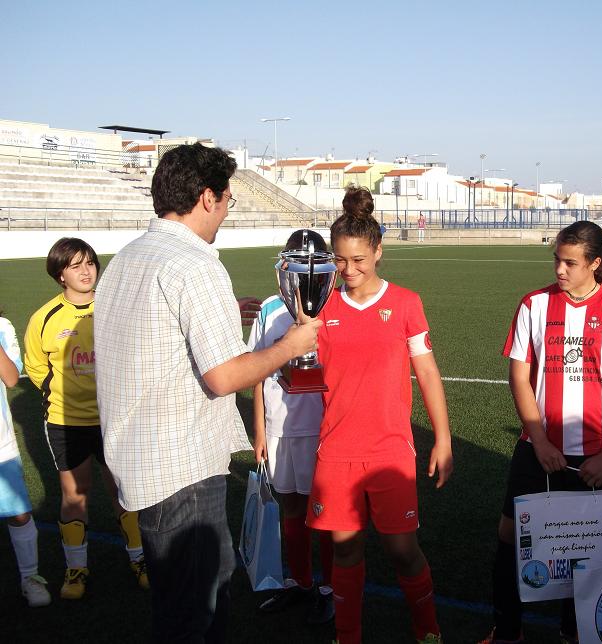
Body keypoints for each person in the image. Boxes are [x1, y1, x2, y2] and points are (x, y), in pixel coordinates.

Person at [94, 143, 321, 642]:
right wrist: (291, 345)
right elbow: (224, 377)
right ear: (205, 198)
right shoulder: (194, 264)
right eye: (226, 200)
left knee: (196, 592)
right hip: (182, 467)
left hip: (141, 461)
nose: (225, 210)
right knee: (192, 612)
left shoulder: (127, 258)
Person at [483, 220, 602, 643]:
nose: (559, 269)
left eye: (570, 262)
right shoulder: (533, 305)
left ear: (595, 263)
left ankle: (576, 632)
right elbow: (519, 377)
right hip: (537, 448)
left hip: (598, 455)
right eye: (557, 259)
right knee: (511, 534)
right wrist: (538, 440)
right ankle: (508, 631)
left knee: (594, 549)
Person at [306, 186, 452, 644]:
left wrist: (443, 440)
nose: (349, 270)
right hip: (337, 449)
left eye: (359, 260)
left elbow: (427, 372)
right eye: (340, 260)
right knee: (344, 550)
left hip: (390, 449)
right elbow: (297, 361)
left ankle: (426, 629)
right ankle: (347, 635)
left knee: (402, 548)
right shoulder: (320, 303)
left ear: (378, 252)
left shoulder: (406, 302)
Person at [23, 237, 147, 600]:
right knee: (74, 496)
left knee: (124, 492)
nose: (85, 271)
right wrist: (63, 394)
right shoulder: (44, 318)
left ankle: (139, 559)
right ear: (60, 274)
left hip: (115, 418)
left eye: (89, 262)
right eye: (75, 265)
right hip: (67, 421)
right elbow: (35, 368)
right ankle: (76, 569)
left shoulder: (115, 307)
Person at [250, 229, 334, 623]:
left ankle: (331, 589)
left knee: (328, 513)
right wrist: (260, 431)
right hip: (281, 426)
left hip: (324, 428)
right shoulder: (270, 308)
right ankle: (300, 583)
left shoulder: (337, 304)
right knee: (292, 509)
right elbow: (257, 371)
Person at [1, 312, 51, 607]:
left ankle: (29, 577)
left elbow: (10, 377)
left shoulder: (2, 326)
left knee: (18, 513)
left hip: (0, 444)